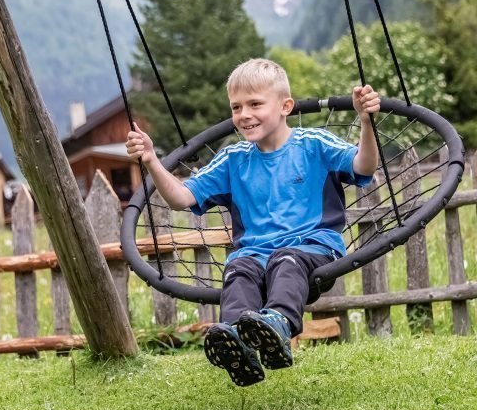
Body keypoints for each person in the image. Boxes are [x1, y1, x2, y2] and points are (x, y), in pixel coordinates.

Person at [126, 58, 380, 387]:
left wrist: (366, 123)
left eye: (255, 104)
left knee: (285, 259)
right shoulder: (234, 159)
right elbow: (181, 197)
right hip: (255, 256)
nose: (244, 114)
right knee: (238, 267)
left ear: (285, 106)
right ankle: (235, 340)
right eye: (236, 107)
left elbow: (364, 166)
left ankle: (278, 325)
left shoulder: (314, 145)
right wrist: (150, 160)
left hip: (311, 250)